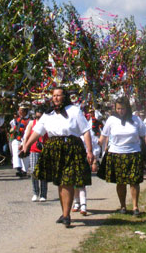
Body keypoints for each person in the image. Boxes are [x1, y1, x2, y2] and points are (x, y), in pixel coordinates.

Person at [20, 87, 94, 228]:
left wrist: (89, 151)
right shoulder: (48, 114)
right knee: (60, 181)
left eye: (59, 95)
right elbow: (37, 131)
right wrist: (27, 145)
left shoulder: (74, 111)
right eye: (54, 95)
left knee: (67, 180)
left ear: (64, 97)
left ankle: (66, 215)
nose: (56, 98)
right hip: (54, 148)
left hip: (71, 147)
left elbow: (85, 131)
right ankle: (64, 212)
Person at [97, 96, 146, 216]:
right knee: (120, 182)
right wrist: (92, 149)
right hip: (116, 154)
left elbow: (145, 134)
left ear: (127, 108)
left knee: (134, 181)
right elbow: (103, 137)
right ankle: (122, 206)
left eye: (122, 109)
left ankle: (135, 207)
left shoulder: (136, 120)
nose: (120, 111)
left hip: (133, 153)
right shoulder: (111, 120)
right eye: (118, 109)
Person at [23, 106, 48, 202]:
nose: (38, 118)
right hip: (34, 149)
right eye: (37, 116)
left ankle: (43, 194)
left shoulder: (47, 123)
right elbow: (27, 135)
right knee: (33, 171)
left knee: (43, 173)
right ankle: (35, 192)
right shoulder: (31, 123)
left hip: (45, 149)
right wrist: (24, 145)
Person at [10, 103, 31, 178]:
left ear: (25, 112)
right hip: (17, 138)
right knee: (16, 152)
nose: (19, 112)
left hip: (25, 139)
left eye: (21, 111)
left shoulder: (29, 120)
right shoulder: (18, 119)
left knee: (25, 155)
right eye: (19, 110)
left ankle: (24, 170)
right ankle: (18, 168)